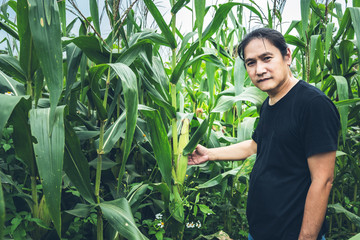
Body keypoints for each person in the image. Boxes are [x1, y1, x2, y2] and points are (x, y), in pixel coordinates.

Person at [188, 28, 340, 240]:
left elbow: (323, 180)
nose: (259, 69)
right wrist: (209, 154)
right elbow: (256, 145)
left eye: (267, 58)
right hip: (261, 230)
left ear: (287, 56)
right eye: (251, 63)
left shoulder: (313, 104)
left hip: (291, 233)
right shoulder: (270, 102)